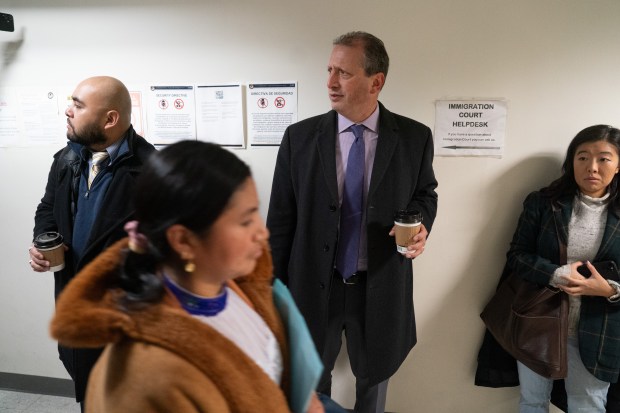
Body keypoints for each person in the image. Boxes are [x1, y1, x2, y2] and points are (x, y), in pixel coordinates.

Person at [49, 140, 344, 412]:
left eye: (256, 212)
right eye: (244, 221)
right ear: (183, 241)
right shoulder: (143, 378)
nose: (262, 232)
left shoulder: (237, 283)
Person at [267, 31, 438, 412]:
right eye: (329, 70)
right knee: (309, 387)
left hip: (379, 285)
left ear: (376, 82)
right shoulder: (299, 138)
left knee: (374, 385)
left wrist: (422, 223)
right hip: (312, 287)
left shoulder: (413, 138)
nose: (330, 82)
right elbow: (279, 221)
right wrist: (271, 292)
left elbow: (425, 193)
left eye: (343, 73)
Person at [28, 76, 155, 410]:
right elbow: (47, 209)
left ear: (109, 119)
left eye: (78, 105)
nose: (67, 110)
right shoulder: (66, 160)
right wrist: (42, 242)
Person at [505, 125, 620, 412]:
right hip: (540, 320)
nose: (591, 167)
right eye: (582, 157)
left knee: (588, 405)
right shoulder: (544, 203)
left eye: (604, 159)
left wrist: (610, 290)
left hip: (599, 329)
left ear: (618, 166)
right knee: (532, 402)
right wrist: (555, 274)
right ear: (571, 162)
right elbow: (517, 256)